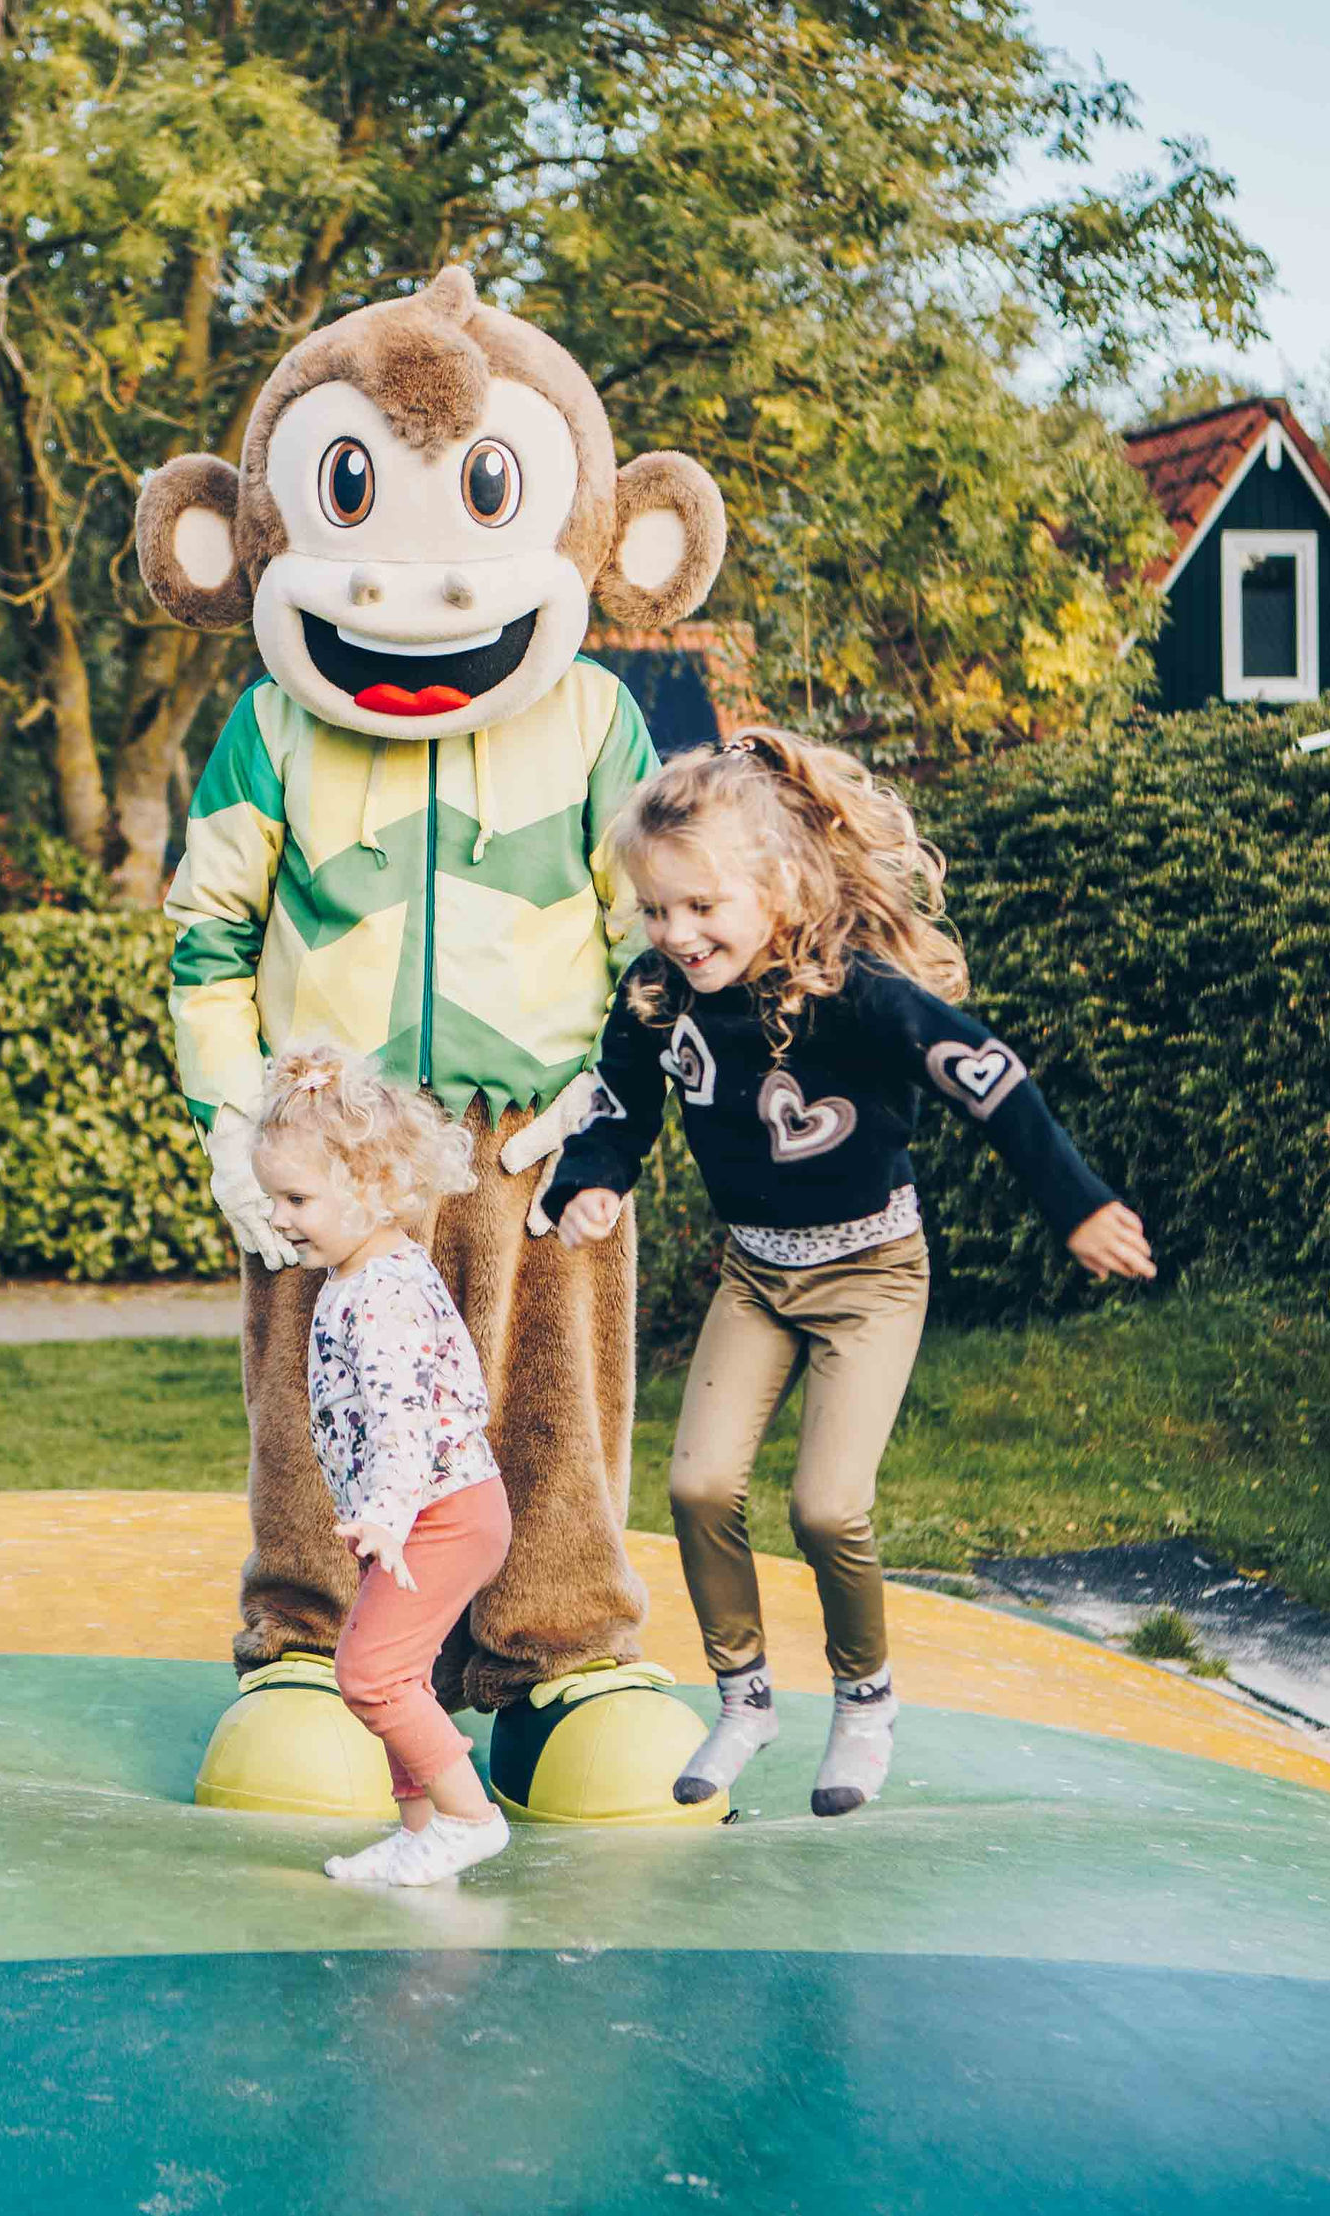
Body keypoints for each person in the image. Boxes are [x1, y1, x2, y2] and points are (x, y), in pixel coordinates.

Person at [537, 729, 1157, 1817]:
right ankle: (745, 1700)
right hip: (755, 1276)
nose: (677, 933)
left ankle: (865, 1702)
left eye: (702, 906)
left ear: (777, 887)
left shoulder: (851, 990)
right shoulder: (657, 994)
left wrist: (1077, 1202)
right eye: (657, 910)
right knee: (697, 1487)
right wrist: (596, 1177)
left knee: (827, 1508)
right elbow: (622, 1100)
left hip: (872, 1274)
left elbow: (989, 1077)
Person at [250, 1043, 517, 1885]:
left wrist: (388, 1514)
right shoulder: (363, 1272)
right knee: (402, 1673)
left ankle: (469, 1818)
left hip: (438, 1513)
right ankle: (421, 1831)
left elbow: (406, 1421)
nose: (280, 1216)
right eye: (273, 1197)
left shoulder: (382, 1292)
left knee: (369, 1674)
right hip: (427, 1511)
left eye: (297, 1198)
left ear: (370, 1186)